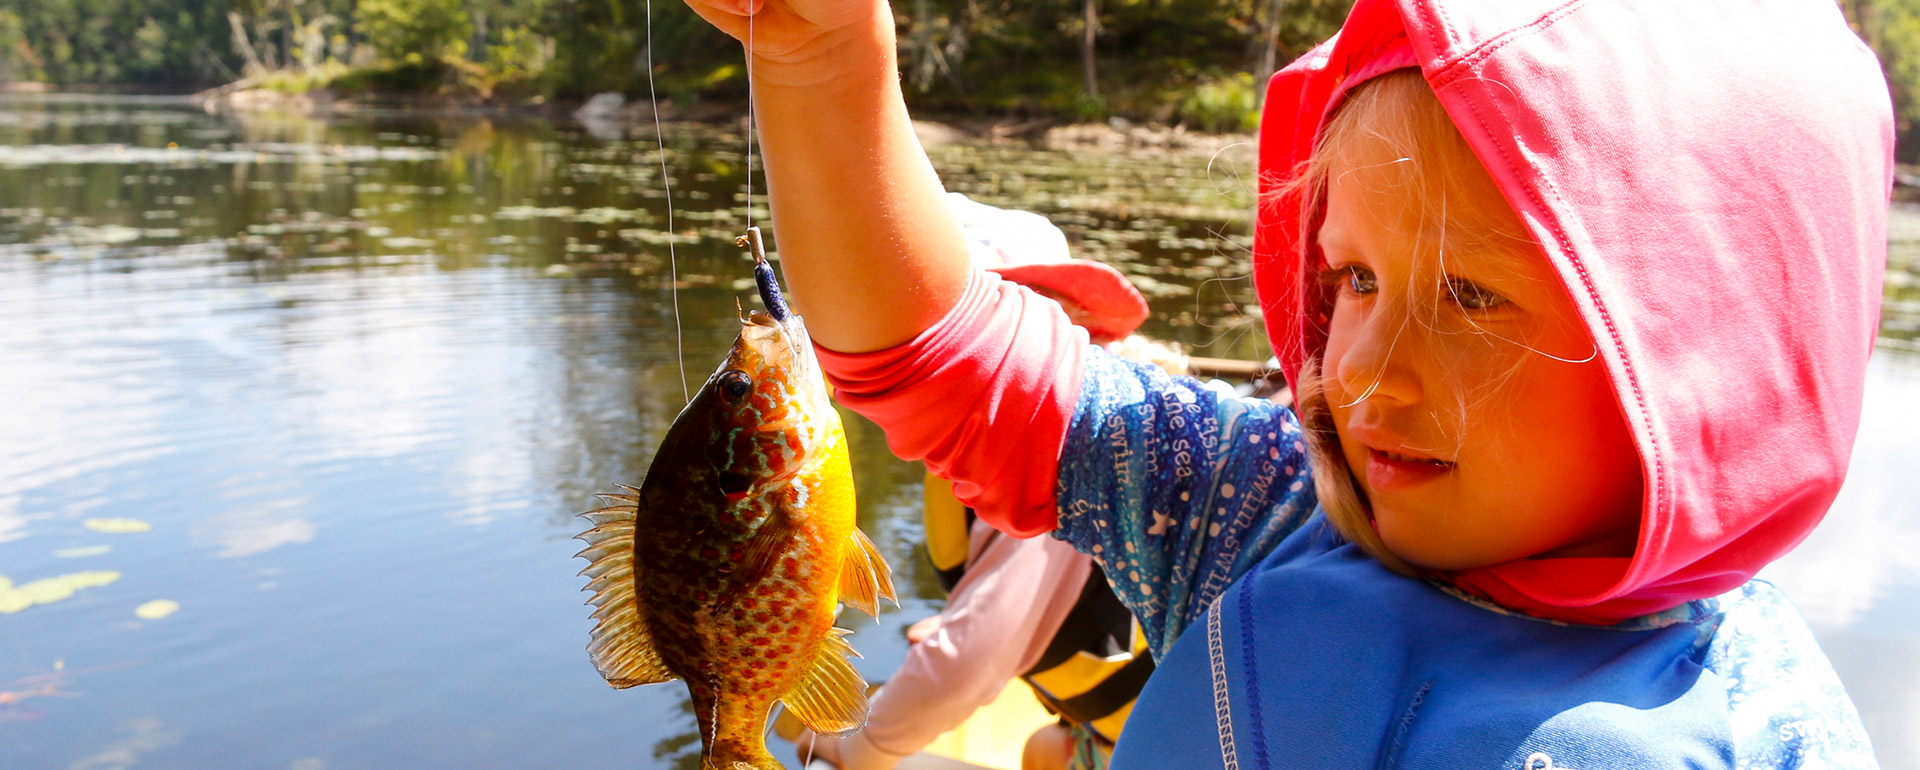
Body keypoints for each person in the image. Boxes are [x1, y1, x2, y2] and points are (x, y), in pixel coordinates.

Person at [681, 0, 1889, 766]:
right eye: (1352, 277)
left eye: (1472, 295)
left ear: (1704, 369)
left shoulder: (1764, 735)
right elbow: (943, 357)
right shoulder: (1255, 502)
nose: (1361, 370)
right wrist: (828, 61)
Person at [793, 193, 1170, 770]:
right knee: (1043, 751)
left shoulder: (1067, 449)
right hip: (1121, 724)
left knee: (1041, 752)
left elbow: (972, 655)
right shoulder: (1000, 436)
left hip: (1189, 739)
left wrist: (858, 749)